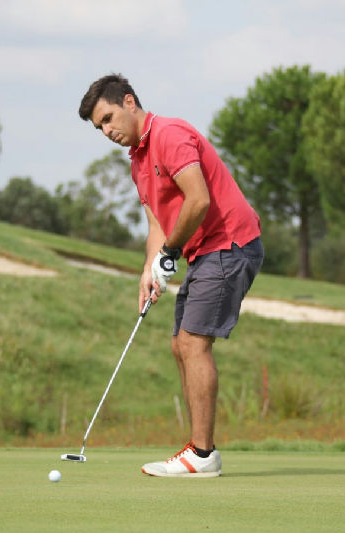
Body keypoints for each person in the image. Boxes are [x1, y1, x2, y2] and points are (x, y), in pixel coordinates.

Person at [78, 74, 263, 477]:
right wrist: (150, 270)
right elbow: (157, 226)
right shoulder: (138, 162)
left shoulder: (169, 135)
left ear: (129, 102)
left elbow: (198, 201)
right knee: (180, 345)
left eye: (108, 118)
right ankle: (198, 450)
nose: (107, 131)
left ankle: (202, 455)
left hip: (229, 243)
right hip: (204, 252)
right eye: (99, 127)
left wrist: (169, 253)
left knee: (194, 342)